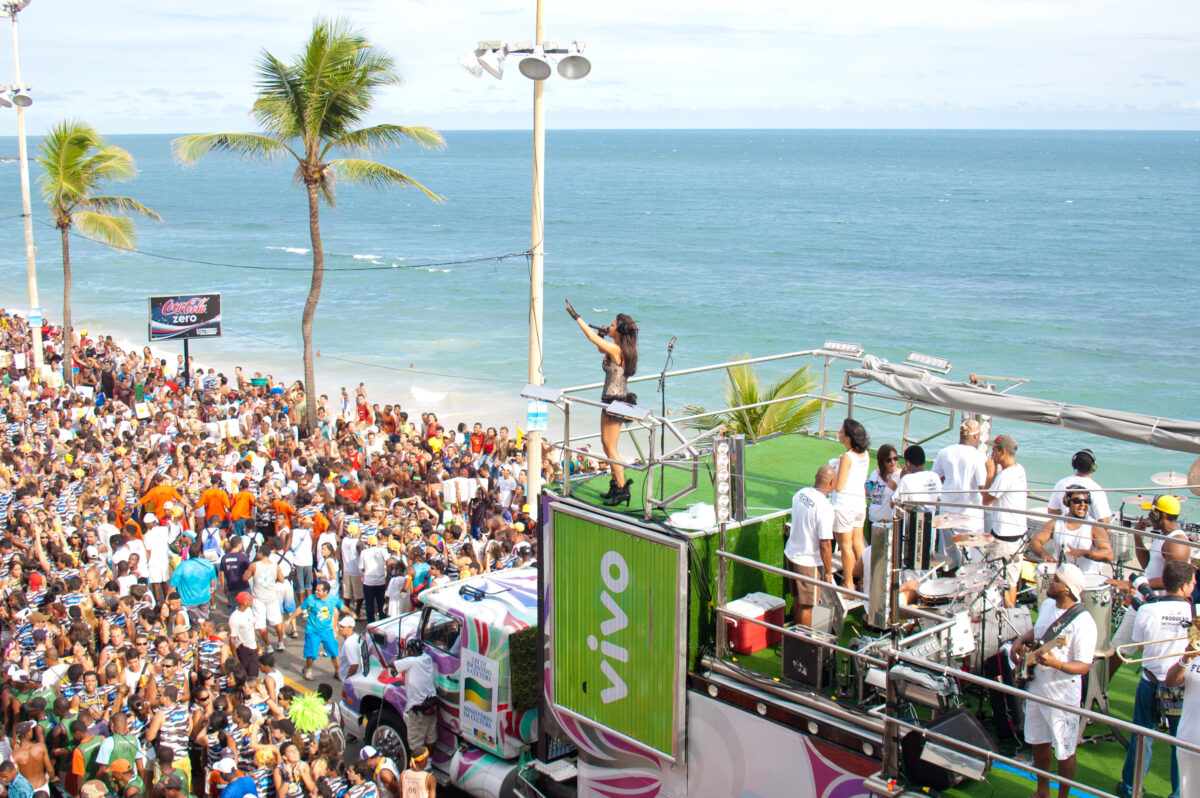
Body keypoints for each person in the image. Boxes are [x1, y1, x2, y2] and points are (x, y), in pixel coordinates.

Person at [1009, 563, 1098, 798]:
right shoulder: (1048, 604)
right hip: (1036, 685)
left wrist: (1057, 664)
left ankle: (1063, 796)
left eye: (1056, 580)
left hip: (1062, 694)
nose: (1050, 582)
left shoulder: (1084, 623)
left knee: (1064, 748)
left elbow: (1084, 665)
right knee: (1038, 741)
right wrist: (1020, 640)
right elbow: (1039, 632)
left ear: (1068, 589)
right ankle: (1042, 791)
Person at [1119, 559, 1195, 798]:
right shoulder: (1194, 612)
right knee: (1180, 744)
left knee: (1141, 737)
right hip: (1180, 686)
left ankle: (1132, 788)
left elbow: (1139, 645)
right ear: (1183, 587)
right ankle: (1179, 793)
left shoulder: (1146, 609)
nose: (1195, 586)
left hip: (1149, 681)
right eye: (1193, 583)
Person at [565, 300, 639, 507]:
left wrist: (577, 317)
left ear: (620, 331)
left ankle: (622, 489)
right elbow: (599, 349)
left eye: (612, 325)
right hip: (611, 399)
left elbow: (590, 337)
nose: (609, 325)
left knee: (610, 448)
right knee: (607, 447)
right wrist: (603, 334)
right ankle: (616, 485)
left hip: (616, 401)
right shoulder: (617, 349)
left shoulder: (618, 351)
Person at [931, 419, 988, 569]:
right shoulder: (979, 457)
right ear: (976, 437)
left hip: (946, 516)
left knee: (948, 561)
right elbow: (983, 486)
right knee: (972, 565)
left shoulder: (945, 452)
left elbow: (936, 478)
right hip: (970, 518)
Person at [784, 466, 835, 626]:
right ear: (832, 483)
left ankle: (796, 637)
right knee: (807, 605)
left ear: (815, 476)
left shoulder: (800, 494)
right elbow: (825, 543)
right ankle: (804, 642)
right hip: (808, 562)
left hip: (792, 555)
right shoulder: (825, 507)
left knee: (799, 599)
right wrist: (828, 571)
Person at [982, 434, 1028, 607]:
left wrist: (989, 475)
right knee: (1012, 581)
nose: (992, 453)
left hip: (1003, 539)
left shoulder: (1004, 476)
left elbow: (985, 501)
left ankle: (1003, 615)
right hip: (1018, 536)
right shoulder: (1019, 469)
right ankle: (1011, 614)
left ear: (1003, 452)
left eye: (994, 449)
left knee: (994, 581)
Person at [1030, 486, 1113, 575]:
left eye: (1086, 501)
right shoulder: (1055, 523)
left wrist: (1084, 553)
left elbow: (1109, 554)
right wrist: (1045, 555)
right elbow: (1035, 542)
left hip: (1086, 576)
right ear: (1068, 502)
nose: (1082, 504)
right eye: (1077, 501)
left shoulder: (1094, 526)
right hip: (1061, 576)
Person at [831, 419, 870, 590]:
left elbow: (838, 486)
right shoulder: (865, 454)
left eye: (841, 432)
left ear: (848, 437)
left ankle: (848, 583)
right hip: (859, 504)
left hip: (844, 506)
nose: (838, 434)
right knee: (858, 541)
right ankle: (864, 579)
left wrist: (832, 472)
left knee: (845, 546)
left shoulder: (847, 458)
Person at [392, 638, 438, 760]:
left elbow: (391, 663)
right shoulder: (427, 658)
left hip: (418, 708)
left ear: (411, 651)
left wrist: (398, 657)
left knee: (415, 743)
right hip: (431, 703)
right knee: (430, 737)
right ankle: (429, 762)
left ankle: (420, 766)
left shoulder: (411, 661)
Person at [287, 580, 342, 681]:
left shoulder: (333, 600)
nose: (315, 592)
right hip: (313, 632)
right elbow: (300, 608)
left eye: (318, 590)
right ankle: (307, 668)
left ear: (326, 592)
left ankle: (337, 672)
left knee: (334, 653)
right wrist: (290, 619)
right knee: (311, 654)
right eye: (316, 590)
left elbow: (336, 612)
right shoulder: (311, 599)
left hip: (327, 631)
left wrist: (335, 627)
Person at [1047, 449, 1112, 525]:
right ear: (1094, 466)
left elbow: (1052, 512)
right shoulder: (1097, 490)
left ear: (1073, 465)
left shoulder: (1061, 483)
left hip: (1064, 530)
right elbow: (1105, 525)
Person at [168, 541, 218, 624]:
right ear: (199, 553)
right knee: (203, 622)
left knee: (189, 623)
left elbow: (173, 584)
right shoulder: (208, 564)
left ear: (188, 553)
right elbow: (213, 579)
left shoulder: (182, 566)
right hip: (204, 599)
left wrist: (167, 597)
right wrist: (212, 588)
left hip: (187, 601)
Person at [866, 443, 901, 537]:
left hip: (889, 522)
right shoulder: (875, 473)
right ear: (882, 462)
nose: (893, 462)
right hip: (873, 520)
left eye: (895, 458)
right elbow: (869, 492)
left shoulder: (900, 475)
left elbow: (903, 498)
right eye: (889, 460)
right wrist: (866, 489)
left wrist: (895, 487)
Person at [229, 591, 260, 677]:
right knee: (247, 675)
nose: (251, 601)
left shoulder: (249, 610)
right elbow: (232, 639)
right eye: (250, 600)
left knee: (254, 673)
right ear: (244, 602)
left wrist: (257, 642)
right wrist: (235, 657)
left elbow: (252, 627)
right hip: (245, 649)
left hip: (253, 646)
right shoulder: (235, 618)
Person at [338, 615, 362, 680]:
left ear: (351, 628)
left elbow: (354, 665)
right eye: (340, 626)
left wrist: (347, 680)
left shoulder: (349, 644)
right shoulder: (355, 637)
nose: (340, 628)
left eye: (343, 627)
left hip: (351, 680)